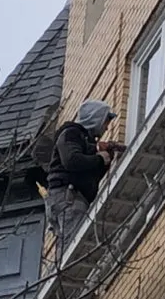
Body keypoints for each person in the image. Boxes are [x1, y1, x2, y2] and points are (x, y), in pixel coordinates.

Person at [46, 99, 118, 260]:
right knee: (71, 248)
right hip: (68, 197)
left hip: (69, 198)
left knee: (68, 243)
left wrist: (104, 160)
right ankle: (62, 280)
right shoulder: (71, 133)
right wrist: (99, 158)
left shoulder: (84, 141)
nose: (106, 127)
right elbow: (72, 160)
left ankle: (62, 276)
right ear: (96, 118)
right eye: (105, 121)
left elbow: (89, 176)